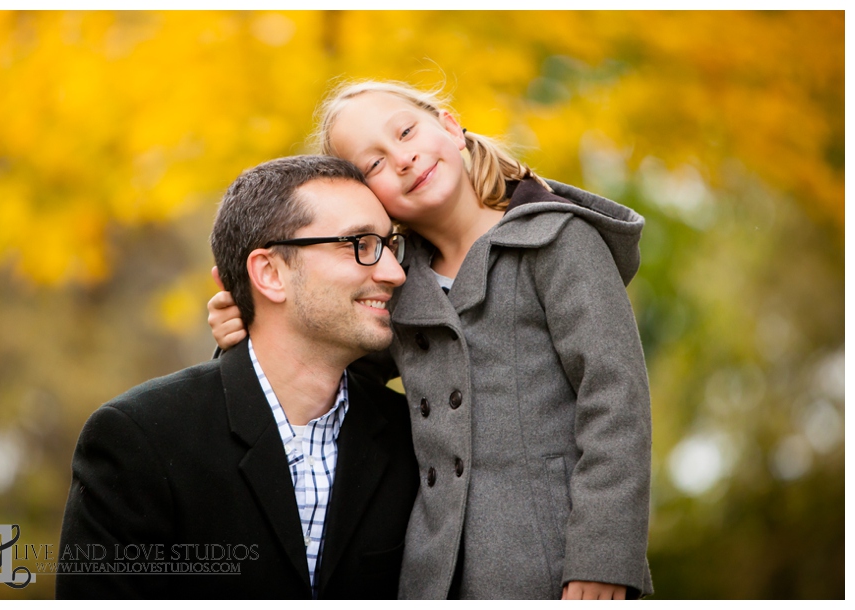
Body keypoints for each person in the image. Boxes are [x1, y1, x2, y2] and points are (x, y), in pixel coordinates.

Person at [208, 80, 654, 600]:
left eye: (405, 131)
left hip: (559, 563)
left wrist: (602, 556)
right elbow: (321, 373)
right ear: (370, 198)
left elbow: (617, 403)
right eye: (373, 165)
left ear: (448, 125)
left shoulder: (556, 241)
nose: (401, 158)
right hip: (432, 573)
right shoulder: (392, 286)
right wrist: (251, 326)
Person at [57, 155, 419, 599]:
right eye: (361, 243)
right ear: (270, 273)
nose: (395, 272)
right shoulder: (141, 438)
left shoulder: (412, 438)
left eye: (390, 244)